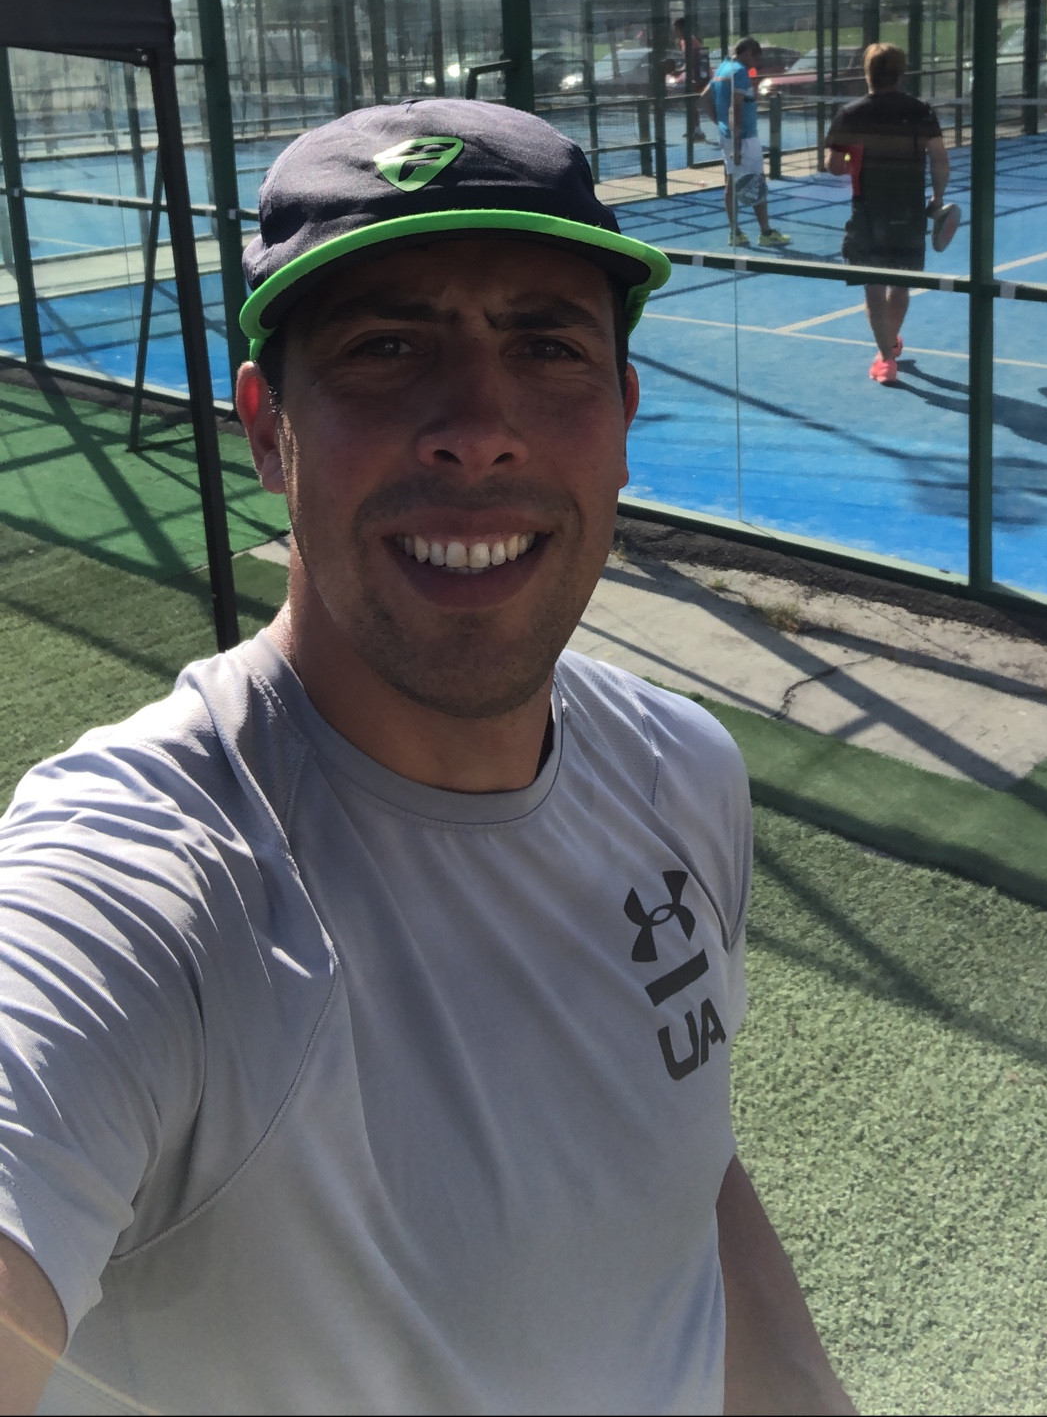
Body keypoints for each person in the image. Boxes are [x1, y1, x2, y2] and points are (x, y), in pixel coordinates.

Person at [0, 100, 854, 1417]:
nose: (477, 424)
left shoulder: (684, 770)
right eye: (385, 348)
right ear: (267, 429)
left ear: (624, 415)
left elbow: (694, 1175)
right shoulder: (146, 881)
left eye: (546, 345)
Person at [824, 42, 954, 386]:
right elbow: (940, 159)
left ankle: (885, 356)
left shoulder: (850, 114)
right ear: (901, 73)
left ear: (866, 72)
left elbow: (833, 165)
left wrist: (855, 159)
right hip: (909, 211)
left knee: (874, 287)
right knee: (900, 284)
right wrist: (938, 198)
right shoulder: (921, 112)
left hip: (868, 212)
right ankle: (888, 345)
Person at [699, 36, 792, 250]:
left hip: (727, 137)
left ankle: (735, 233)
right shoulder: (740, 72)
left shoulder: (722, 68)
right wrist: (738, 143)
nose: (756, 63)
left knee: (731, 182)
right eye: (755, 57)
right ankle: (766, 232)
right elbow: (736, 107)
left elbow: (703, 99)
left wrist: (721, 124)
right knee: (756, 182)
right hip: (745, 139)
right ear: (748, 52)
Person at [672, 13, 711, 141]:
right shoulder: (686, 40)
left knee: (692, 102)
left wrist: (680, 71)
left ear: (681, 28)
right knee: (690, 102)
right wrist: (681, 70)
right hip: (696, 76)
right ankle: (695, 130)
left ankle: (698, 132)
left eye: (676, 29)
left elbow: (693, 60)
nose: (675, 32)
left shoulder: (688, 41)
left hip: (700, 76)